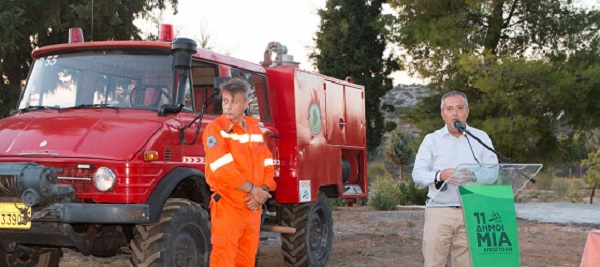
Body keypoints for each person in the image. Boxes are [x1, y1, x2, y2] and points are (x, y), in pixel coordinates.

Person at [412, 91, 498, 267]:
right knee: (434, 262)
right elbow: (418, 174)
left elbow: (493, 171)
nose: (455, 113)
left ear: (467, 111)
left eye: (459, 108)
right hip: (439, 210)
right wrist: (440, 175)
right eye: (449, 109)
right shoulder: (432, 140)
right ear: (443, 114)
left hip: (472, 211)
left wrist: (474, 175)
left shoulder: (481, 138)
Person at [202, 78, 276, 267]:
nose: (227, 106)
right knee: (224, 260)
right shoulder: (215, 129)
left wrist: (263, 191)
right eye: (225, 101)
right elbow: (222, 170)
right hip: (228, 206)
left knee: (247, 261)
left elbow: (268, 165)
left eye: (234, 102)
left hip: (253, 208)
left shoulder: (254, 130)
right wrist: (254, 191)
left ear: (246, 103)